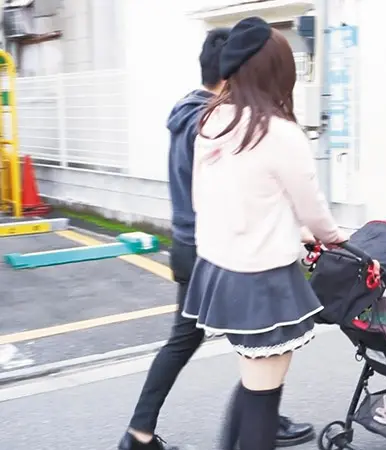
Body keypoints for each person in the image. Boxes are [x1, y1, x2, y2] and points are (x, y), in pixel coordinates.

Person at [118, 27, 316, 450]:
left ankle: (140, 431)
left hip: (186, 244)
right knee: (261, 342)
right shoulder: (220, 123)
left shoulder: (187, 114)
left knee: (195, 342)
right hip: (217, 249)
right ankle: (258, 422)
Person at [182, 16, 347, 450]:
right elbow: (312, 207)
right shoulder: (279, 132)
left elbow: (213, 199)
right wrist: (332, 236)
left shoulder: (211, 122)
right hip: (261, 277)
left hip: (218, 269)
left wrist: (291, 229)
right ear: (277, 73)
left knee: (254, 378)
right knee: (263, 393)